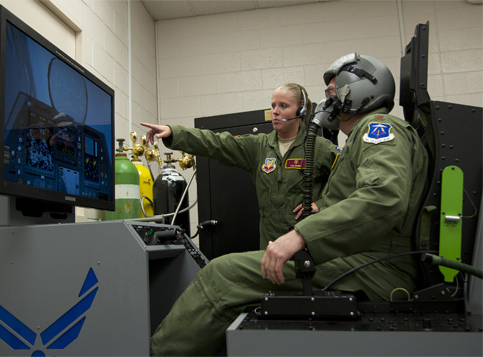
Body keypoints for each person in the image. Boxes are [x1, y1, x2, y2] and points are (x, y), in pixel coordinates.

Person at [150, 53, 429, 356]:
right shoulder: (263, 145)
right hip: (340, 254)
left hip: (366, 264)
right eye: (273, 106)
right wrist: (176, 134)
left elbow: (381, 197)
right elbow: (220, 145)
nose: (329, 103)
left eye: (334, 94)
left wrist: (303, 232)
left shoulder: (375, 128)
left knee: (222, 274)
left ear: (357, 91)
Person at [142, 83, 340, 250]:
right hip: (270, 249)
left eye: (283, 106)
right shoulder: (259, 146)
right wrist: (174, 133)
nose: (275, 112)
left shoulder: (319, 148)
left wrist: (322, 205)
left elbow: (349, 179)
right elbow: (216, 143)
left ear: (301, 111)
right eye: (273, 105)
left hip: (309, 246)